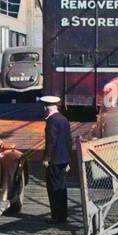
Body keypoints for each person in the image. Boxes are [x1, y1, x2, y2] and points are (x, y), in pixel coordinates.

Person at [40, 94, 72, 224]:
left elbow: (51, 141)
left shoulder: (51, 121)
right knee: (62, 188)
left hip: (54, 160)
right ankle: (63, 215)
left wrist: (46, 158)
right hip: (63, 160)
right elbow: (69, 141)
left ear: (47, 107)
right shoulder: (64, 119)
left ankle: (56, 216)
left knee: (53, 188)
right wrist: (69, 160)